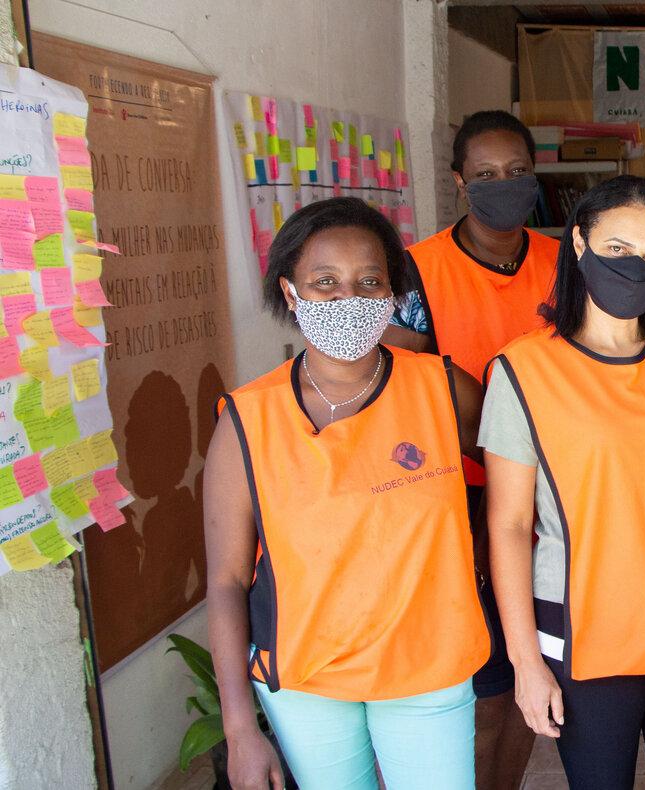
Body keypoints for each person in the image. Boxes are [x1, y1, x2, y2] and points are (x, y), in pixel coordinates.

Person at [204, 197, 491, 790]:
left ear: (392, 295)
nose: (349, 300)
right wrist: (239, 729)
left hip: (429, 666)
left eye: (369, 282)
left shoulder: (441, 388)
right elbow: (228, 581)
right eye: (325, 283)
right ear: (290, 293)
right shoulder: (247, 420)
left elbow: (519, 483)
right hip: (308, 682)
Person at [482, 176, 645, 789]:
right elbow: (508, 524)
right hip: (585, 635)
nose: (635, 268)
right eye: (618, 249)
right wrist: (526, 663)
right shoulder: (522, 370)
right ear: (578, 242)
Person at [381, 109, 553, 790]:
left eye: (515, 172)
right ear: (459, 181)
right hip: (464, 495)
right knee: (484, 672)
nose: (502, 185)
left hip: (555, 489)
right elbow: (396, 388)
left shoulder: (564, 260)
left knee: (537, 660)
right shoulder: (417, 272)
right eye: (485, 175)